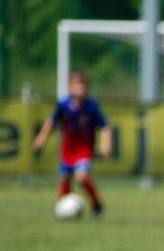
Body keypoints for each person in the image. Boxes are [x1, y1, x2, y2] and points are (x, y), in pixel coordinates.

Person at [33, 69, 113, 217]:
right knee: (64, 179)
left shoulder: (91, 107)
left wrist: (106, 145)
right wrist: (41, 138)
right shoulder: (63, 105)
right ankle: (64, 207)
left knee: (81, 177)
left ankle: (96, 204)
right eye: (77, 84)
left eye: (83, 85)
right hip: (67, 150)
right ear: (70, 87)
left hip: (84, 149)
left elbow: (105, 126)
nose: (80, 88)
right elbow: (51, 122)